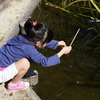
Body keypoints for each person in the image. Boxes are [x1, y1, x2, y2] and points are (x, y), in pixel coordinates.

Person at [0, 20, 72, 90]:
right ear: (37, 42)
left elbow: (40, 42)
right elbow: (45, 62)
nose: (46, 44)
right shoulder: (29, 49)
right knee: (25, 63)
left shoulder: (23, 37)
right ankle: (13, 85)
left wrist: (57, 43)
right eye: (46, 42)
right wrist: (62, 52)